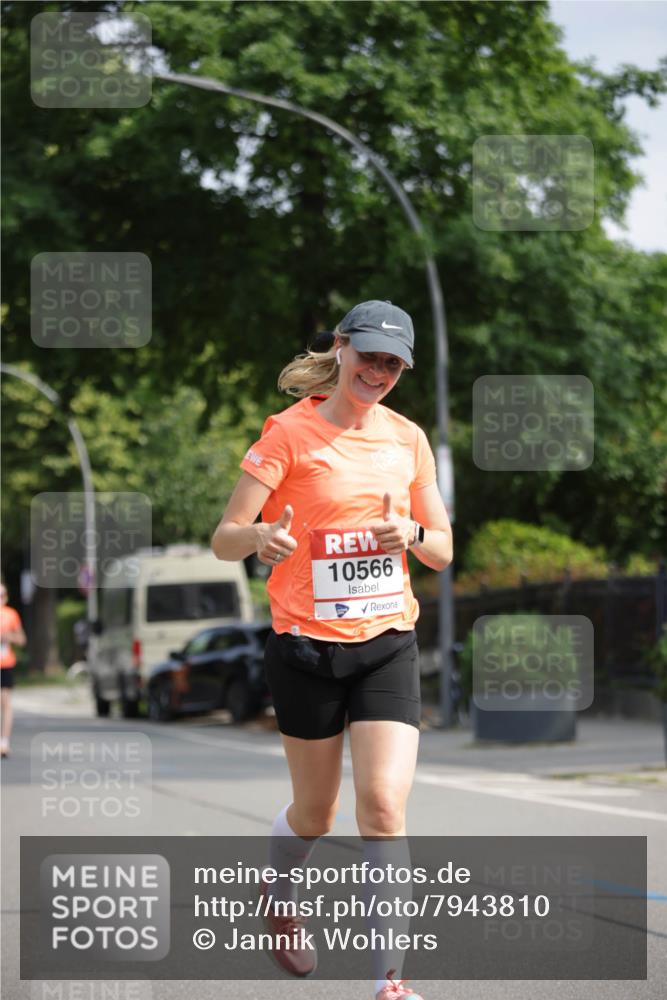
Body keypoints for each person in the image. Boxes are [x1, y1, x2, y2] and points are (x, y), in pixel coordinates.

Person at [211, 300, 453, 1000]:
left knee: (381, 806)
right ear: (341, 348)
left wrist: (406, 534)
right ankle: (280, 893)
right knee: (314, 814)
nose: (377, 372)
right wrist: (259, 538)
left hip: (384, 643)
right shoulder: (287, 434)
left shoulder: (407, 439)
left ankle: (389, 983)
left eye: (391, 364)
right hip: (305, 650)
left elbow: (439, 549)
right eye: (368, 355)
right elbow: (224, 534)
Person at [1, 581, 27, 758]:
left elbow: (22, 639)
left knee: (6, 703)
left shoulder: (11, 614)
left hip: (6, 664)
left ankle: (4, 742)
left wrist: (8, 636)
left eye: (2, 595)